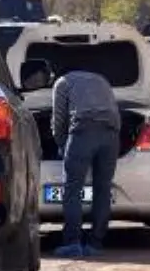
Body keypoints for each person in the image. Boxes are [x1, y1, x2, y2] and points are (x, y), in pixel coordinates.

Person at [51, 68, 121, 257]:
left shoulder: (62, 83)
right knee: (103, 188)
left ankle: (72, 242)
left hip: (83, 131)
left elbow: (58, 121)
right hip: (112, 133)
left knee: (72, 188)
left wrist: (62, 146)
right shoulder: (101, 78)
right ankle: (95, 244)